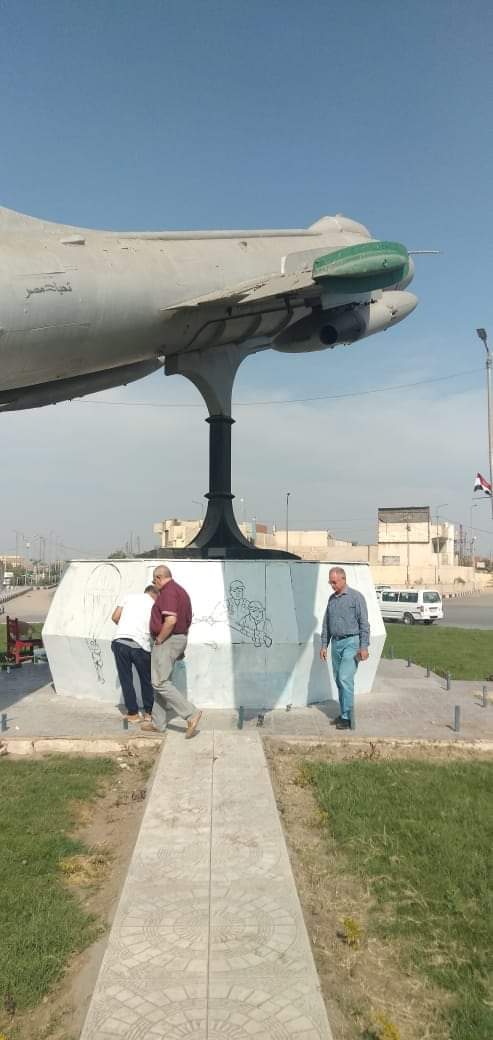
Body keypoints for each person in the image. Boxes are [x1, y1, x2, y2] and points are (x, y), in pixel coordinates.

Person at [142, 565, 202, 738]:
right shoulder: (181, 591)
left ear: (159, 578)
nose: (155, 584)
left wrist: (160, 639)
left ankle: (191, 714)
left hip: (168, 639)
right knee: (162, 681)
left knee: (160, 683)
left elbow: (171, 620)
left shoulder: (168, 592)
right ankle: (158, 723)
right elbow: (187, 620)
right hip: (177, 638)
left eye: (154, 581)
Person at [319, 567, 370, 730]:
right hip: (336, 643)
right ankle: (343, 714)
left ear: (343, 579)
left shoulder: (356, 597)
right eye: (330, 582)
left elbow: (364, 623)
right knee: (338, 680)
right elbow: (326, 624)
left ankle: (348, 718)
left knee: (344, 678)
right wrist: (324, 645)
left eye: (334, 582)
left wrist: (364, 646)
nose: (332, 585)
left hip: (352, 643)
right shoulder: (331, 600)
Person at [111, 584, 158, 722]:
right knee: (146, 679)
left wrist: (127, 628)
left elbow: (115, 617)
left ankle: (133, 714)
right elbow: (155, 628)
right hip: (140, 645)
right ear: (155, 594)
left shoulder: (128, 597)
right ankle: (148, 713)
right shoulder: (154, 604)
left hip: (120, 641)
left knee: (126, 679)